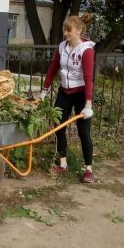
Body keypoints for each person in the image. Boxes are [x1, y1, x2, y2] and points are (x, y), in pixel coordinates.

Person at [40, 13, 96, 183]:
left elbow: (88, 78)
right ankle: (63, 163)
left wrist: (88, 105)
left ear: (79, 31)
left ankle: (88, 169)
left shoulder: (86, 51)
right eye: (65, 30)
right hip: (65, 92)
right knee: (58, 127)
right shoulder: (62, 47)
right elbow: (52, 69)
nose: (65, 33)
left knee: (83, 131)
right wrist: (44, 90)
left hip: (80, 95)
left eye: (68, 30)